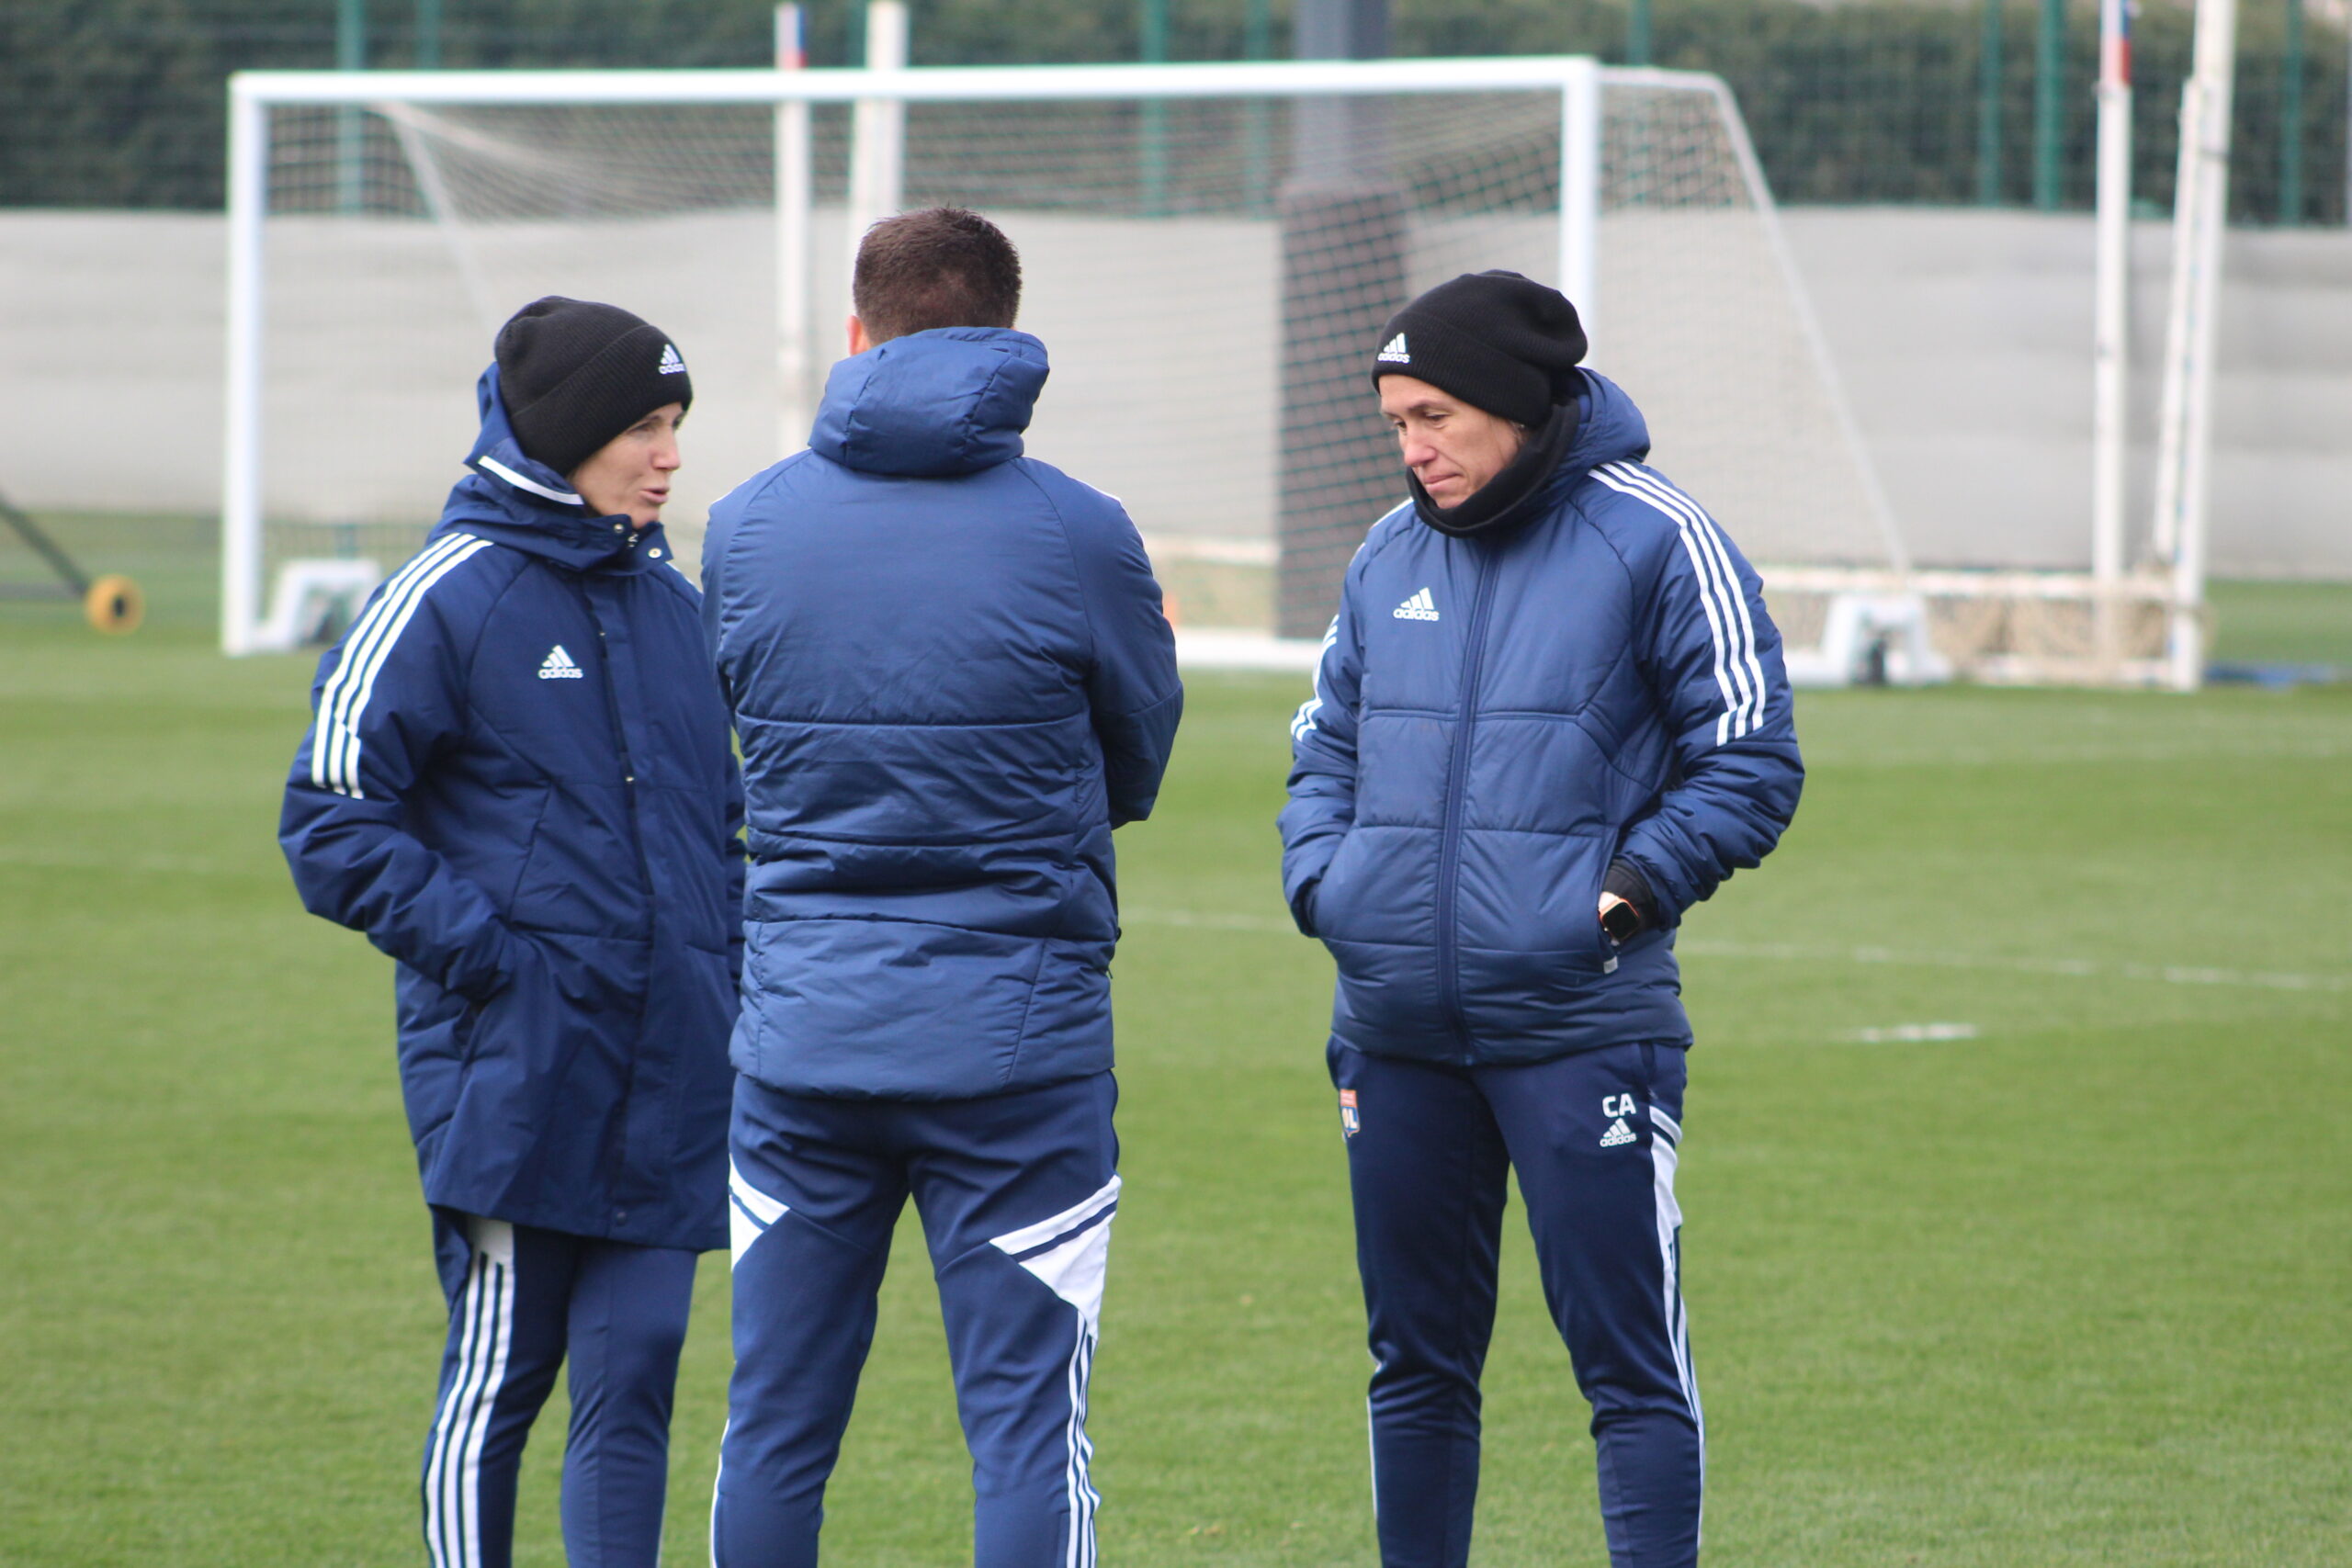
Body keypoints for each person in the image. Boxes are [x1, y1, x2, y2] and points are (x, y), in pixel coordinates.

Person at [1279, 270, 1804, 1568]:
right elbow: (1321, 747)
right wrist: (1328, 887)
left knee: (1628, 1372)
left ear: (1518, 406)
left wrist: (1621, 898)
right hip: (1395, 1031)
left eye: (1438, 416)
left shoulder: (1658, 536)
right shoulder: (1387, 551)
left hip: (1583, 1026)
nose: (1414, 447)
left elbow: (1751, 756)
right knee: (1414, 1369)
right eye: (1397, 420)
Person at [699, 207, 1182, 1568]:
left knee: (773, 1428)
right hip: (1019, 1048)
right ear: (1013, 342)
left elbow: (714, 753)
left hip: (800, 1039)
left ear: (857, 333)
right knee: (1030, 1431)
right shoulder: (1081, 531)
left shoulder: (744, 524)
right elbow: (1137, 755)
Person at [279, 296, 742, 1568]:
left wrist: (730, 972)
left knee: (637, 1375)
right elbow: (327, 815)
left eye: (677, 425)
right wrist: (494, 963)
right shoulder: (444, 594)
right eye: (646, 426)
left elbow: (724, 828)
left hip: (673, 1067)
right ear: (567, 434)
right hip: (519, 1068)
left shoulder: (671, 604)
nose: (670, 454)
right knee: (502, 1380)